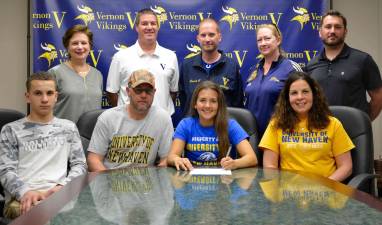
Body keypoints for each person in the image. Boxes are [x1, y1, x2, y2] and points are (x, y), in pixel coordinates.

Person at [0, 72, 87, 219]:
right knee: (43, 216)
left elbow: (80, 165)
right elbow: (6, 170)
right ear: (28, 97)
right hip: (22, 199)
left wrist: (62, 188)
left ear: (56, 96)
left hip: (60, 195)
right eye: (38, 93)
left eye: (49, 93)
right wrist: (25, 192)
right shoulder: (11, 130)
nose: (45, 99)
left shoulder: (68, 128)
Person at [260, 71, 354, 182]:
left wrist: (326, 186)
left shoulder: (333, 124)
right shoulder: (276, 125)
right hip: (289, 195)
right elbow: (270, 167)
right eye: (294, 93)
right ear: (287, 98)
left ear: (314, 94)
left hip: (326, 193)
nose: (300, 97)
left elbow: (346, 167)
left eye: (305, 92)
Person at [87, 69, 174, 171]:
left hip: (146, 183)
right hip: (111, 179)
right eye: (138, 90)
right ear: (128, 91)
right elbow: (94, 159)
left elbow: (166, 159)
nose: (143, 95)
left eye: (148, 91)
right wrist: (107, 184)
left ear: (154, 92)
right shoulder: (108, 118)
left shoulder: (162, 118)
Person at [305, 10, 382, 121]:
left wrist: (363, 122)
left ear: (345, 31)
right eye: (328, 27)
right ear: (320, 32)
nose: (332, 31)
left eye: (337, 27)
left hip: (353, 133)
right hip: (321, 132)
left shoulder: (363, 60)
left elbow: (378, 97)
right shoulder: (311, 64)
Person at [167, 81, 257, 170]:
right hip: (191, 179)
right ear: (195, 104)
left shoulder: (230, 125)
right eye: (202, 100)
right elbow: (171, 156)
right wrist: (177, 159)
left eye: (213, 101)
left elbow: (252, 158)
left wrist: (235, 163)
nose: (207, 105)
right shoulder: (185, 125)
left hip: (224, 182)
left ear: (219, 105)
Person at [106, 8, 179, 115]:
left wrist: (162, 113)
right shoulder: (120, 57)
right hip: (129, 123)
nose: (149, 27)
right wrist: (125, 115)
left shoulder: (170, 56)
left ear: (158, 27)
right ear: (137, 27)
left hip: (160, 123)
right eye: (144, 23)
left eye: (153, 23)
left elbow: (173, 91)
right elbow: (111, 92)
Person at [244, 23, 302, 137]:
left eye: (267, 38)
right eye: (259, 40)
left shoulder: (291, 68)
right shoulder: (253, 70)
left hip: (280, 137)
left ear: (278, 40)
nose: (263, 43)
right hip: (253, 138)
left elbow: (303, 104)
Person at [179, 18, 243, 116]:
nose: (207, 39)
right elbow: (184, 102)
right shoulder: (187, 66)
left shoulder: (232, 66)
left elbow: (237, 104)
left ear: (219, 37)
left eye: (211, 35)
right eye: (203, 35)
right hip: (194, 128)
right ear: (198, 38)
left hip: (223, 128)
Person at [48, 24, 103, 123]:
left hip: (92, 135)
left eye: (84, 43)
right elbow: (45, 108)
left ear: (90, 46)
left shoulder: (97, 75)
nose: (80, 47)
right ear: (67, 46)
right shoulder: (55, 73)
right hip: (63, 135)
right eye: (75, 43)